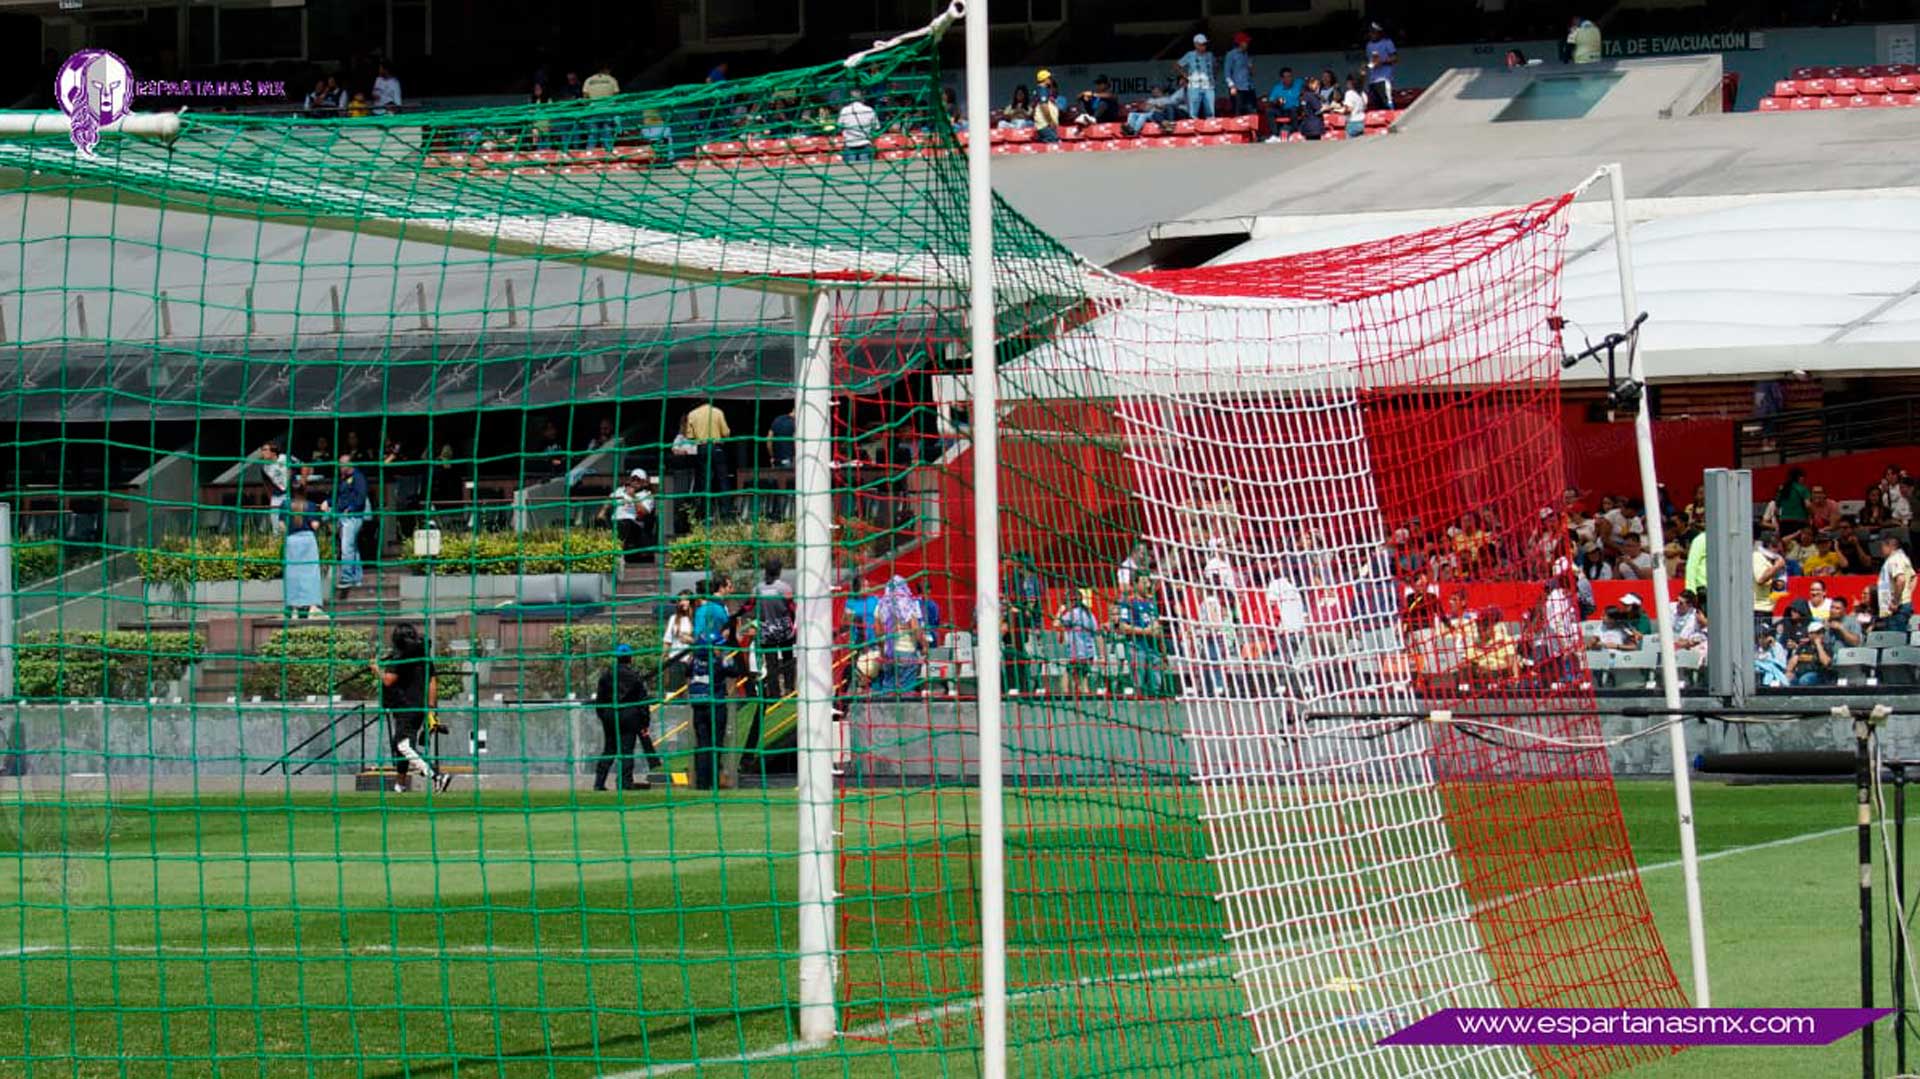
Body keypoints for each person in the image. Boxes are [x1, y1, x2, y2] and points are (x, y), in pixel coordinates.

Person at [372, 624, 445, 793]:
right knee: (402, 745)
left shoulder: (400, 657)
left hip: (405, 707)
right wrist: (431, 708)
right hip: (418, 708)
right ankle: (400, 784)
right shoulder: (423, 657)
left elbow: (389, 680)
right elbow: (432, 682)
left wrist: (377, 670)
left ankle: (435, 775)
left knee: (403, 745)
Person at [592, 643, 660, 791]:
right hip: (630, 715)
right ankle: (625, 782)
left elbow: (600, 699)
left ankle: (599, 782)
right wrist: (644, 722)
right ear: (630, 658)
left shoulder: (606, 675)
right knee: (626, 750)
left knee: (609, 748)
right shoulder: (635, 676)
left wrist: (603, 716)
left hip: (610, 714)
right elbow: (643, 701)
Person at [688, 582, 731, 790]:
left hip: (698, 701)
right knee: (715, 743)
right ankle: (713, 779)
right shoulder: (719, 661)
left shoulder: (694, 661)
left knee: (702, 743)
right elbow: (733, 670)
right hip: (715, 702)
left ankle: (702, 782)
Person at [1109, 575, 1165, 696]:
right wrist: (1146, 631)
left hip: (1153, 649)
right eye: (1144, 582)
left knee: (1156, 684)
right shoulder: (1127, 602)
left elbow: (1156, 625)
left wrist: (1162, 650)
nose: (1148, 586)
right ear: (1134, 584)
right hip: (1136, 647)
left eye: (1149, 582)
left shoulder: (1151, 603)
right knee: (1138, 684)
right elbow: (1123, 627)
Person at [874, 576, 929, 694]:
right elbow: (915, 628)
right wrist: (924, 645)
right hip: (907, 653)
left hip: (889, 654)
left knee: (888, 690)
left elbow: (878, 634)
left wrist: (882, 652)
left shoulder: (880, 606)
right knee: (907, 692)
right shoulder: (909, 605)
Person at [283, 483, 327, 619]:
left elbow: (281, 526)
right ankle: (312, 607)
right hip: (307, 540)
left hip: (291, 540)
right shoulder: (311, 505)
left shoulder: (285, 505)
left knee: (292, 572)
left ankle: (294, 609)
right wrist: (322, 514)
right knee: (311, 572)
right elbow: (314, 525)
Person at [754, 557, 796, 700]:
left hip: (767, 631)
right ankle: (790, 689)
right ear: (779, 570)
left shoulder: (758, 589)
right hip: (784, 630)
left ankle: (774, 693)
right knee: (788, 659)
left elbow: (753, 608)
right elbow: (792, 609)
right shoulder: (785, 588)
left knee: (771, 663)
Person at [683, 400, 733, 520]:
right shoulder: (717, 412)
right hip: (716, 447)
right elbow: (726, 433)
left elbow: (689, 436)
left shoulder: (692, 414)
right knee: (723, 479)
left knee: (704, 480)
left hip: (702, 448)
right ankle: (725, 512)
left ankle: (707, 513)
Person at [1004, 554, 1043, 695]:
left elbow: (1030, 607)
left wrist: (1019, 612)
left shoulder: (1032, 581)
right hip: (1019, 626)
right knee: (1019, 655)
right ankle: (1022, 685)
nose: (1017, 569)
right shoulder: (1017, 581)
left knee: (1030, 655)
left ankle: (1033, 685)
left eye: (1019, 567)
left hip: (1029, 626)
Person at [599, 468, 654, 565]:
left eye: (638, 480)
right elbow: (610, 499)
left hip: (634, 525)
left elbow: (643, 512)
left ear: (644, 482)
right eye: (633, 479)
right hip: (616, 521)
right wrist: (602, 512)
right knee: (599, 522)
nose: (635, 482)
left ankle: (619, 554)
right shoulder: (620, 491)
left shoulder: (647, 495)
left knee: (625, 523)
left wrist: (633, 497)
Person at [332, 455, 369, 599]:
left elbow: (361, 497)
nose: (340, 467)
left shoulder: (358, 477)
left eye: (342, 464)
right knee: (352, 547)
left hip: (352, 517)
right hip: (342, 515)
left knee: (346, 547)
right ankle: (357, 577)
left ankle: (346, 578)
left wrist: (351, 508)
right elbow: (337, 495)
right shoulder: (341, 478)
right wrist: (328, 503)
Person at [1055, 587, 1100, 696]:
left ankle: (1064, 697)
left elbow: (1056, 623)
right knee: (1082, 679)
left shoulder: (1073, 613)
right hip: (1088, 652)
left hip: (1077, 652)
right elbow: (1096, 631)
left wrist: (1060, 610)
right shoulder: (1089, 614)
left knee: (1067, 674)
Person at [256, 438, 296, 534]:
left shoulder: (285, 458)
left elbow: (303, 466)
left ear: (273, 452)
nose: (262, 452)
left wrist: (300, 482)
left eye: (265, 450)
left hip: (290, 494)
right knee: (274, 520)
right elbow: (267, 483)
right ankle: (276, 539)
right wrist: (270, 496)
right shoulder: (264, 467)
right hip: (277, 495)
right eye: (262, 450)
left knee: (289, 519)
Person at [1175, 33, 1217, 121]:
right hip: (1194, 85)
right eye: (1201, 44)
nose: (1203, 46)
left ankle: (1211, 128)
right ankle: (1193, 129)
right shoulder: (1190, 55)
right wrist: (1186, 76)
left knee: (1210, 111)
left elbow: (1215, 66)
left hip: (1208, 85)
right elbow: (1177, 65)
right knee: (1193, 112)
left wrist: (1213, 77)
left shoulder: (1210, 55)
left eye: (1205, 44)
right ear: (1195, 44)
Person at [1879, 533, 1915, 631]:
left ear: (1890, 546)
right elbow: (1914, 578)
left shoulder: (1894, 559)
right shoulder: (1904, 558)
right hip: (1904, 604)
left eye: (1882, 546)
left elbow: (1901, 579)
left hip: (1898, 608)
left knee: (1895, 640)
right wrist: (1907, 594)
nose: (1880, 549)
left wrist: (1895, 601)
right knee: (1901, 639)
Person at [662, 591, 697, 688]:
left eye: (686, 599)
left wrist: (689, 640)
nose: (683, 602)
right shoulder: (673, 618)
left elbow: (701, 640)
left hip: (691, 661)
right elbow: (667, 640)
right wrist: (664, 657)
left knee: (689, 690)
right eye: (680, 600)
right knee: (673, 690)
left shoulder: (696, 618)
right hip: (675, 659)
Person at [1753, 535, 1787, 628]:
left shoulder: (1771, 560)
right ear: (1770, 546)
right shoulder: (1757, 557)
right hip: (1758, 608)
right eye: (1777, 548)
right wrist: (1776, 567)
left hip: (1769, 608)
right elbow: (1760, 579)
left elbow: (1779, 586)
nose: (1778, 552)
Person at [837, 88, 878, 163]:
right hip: (866, 143)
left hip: (850, 144)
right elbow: (876, 128)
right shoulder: (870, 110)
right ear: (862, 98)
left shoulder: (844, 110)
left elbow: (839, 127)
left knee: (850, 171)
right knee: (866, 171)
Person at [1363, 22, 1397, 110]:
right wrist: (1366, 66)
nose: (1372, 34)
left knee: (1387, 102)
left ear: (1379, 33)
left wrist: (1382, 62)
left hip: (1384, 78)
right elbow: (1370, 61)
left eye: (1374, 32)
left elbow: (1394, 58)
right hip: (1372, 80)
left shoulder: (1387, 42)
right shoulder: (1368, 45)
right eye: (1371, 32)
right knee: (1376, 105)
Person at [1223, 32, 1256, 117]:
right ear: (1240, 43)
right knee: (1238, 111)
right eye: (1245, 42)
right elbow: (1227, 72)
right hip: (1237, 88)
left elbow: (1252, 73)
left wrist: (1251, 68)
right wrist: (1232, 86)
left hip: (1249, 86)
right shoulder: (1231, 54)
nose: (1247, 44)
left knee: (1252, 110)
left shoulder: (1246, 54)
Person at [1265, 67, 1302, 140]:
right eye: (1287, 77)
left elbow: (1309, 83)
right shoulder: (1277, 87)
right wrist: (1277, 101)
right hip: (1282, 109)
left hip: (1295, 109)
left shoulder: (1298, 83)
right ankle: (1275, 135)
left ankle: (1294, 133)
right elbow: (1271, 101)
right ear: (1282, 79)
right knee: (1269, 111)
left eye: (1290, 76)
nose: (1289, 79)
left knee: (1293, 109)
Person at [1338, 73, 1368, 139]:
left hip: (1352, 123)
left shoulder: (1349, 93)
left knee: (1350, 146)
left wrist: (1340, 111)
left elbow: (1349, 110)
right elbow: (1365, 107)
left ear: (1351, 82)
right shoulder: (1363, 94)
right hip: (1362, 122)